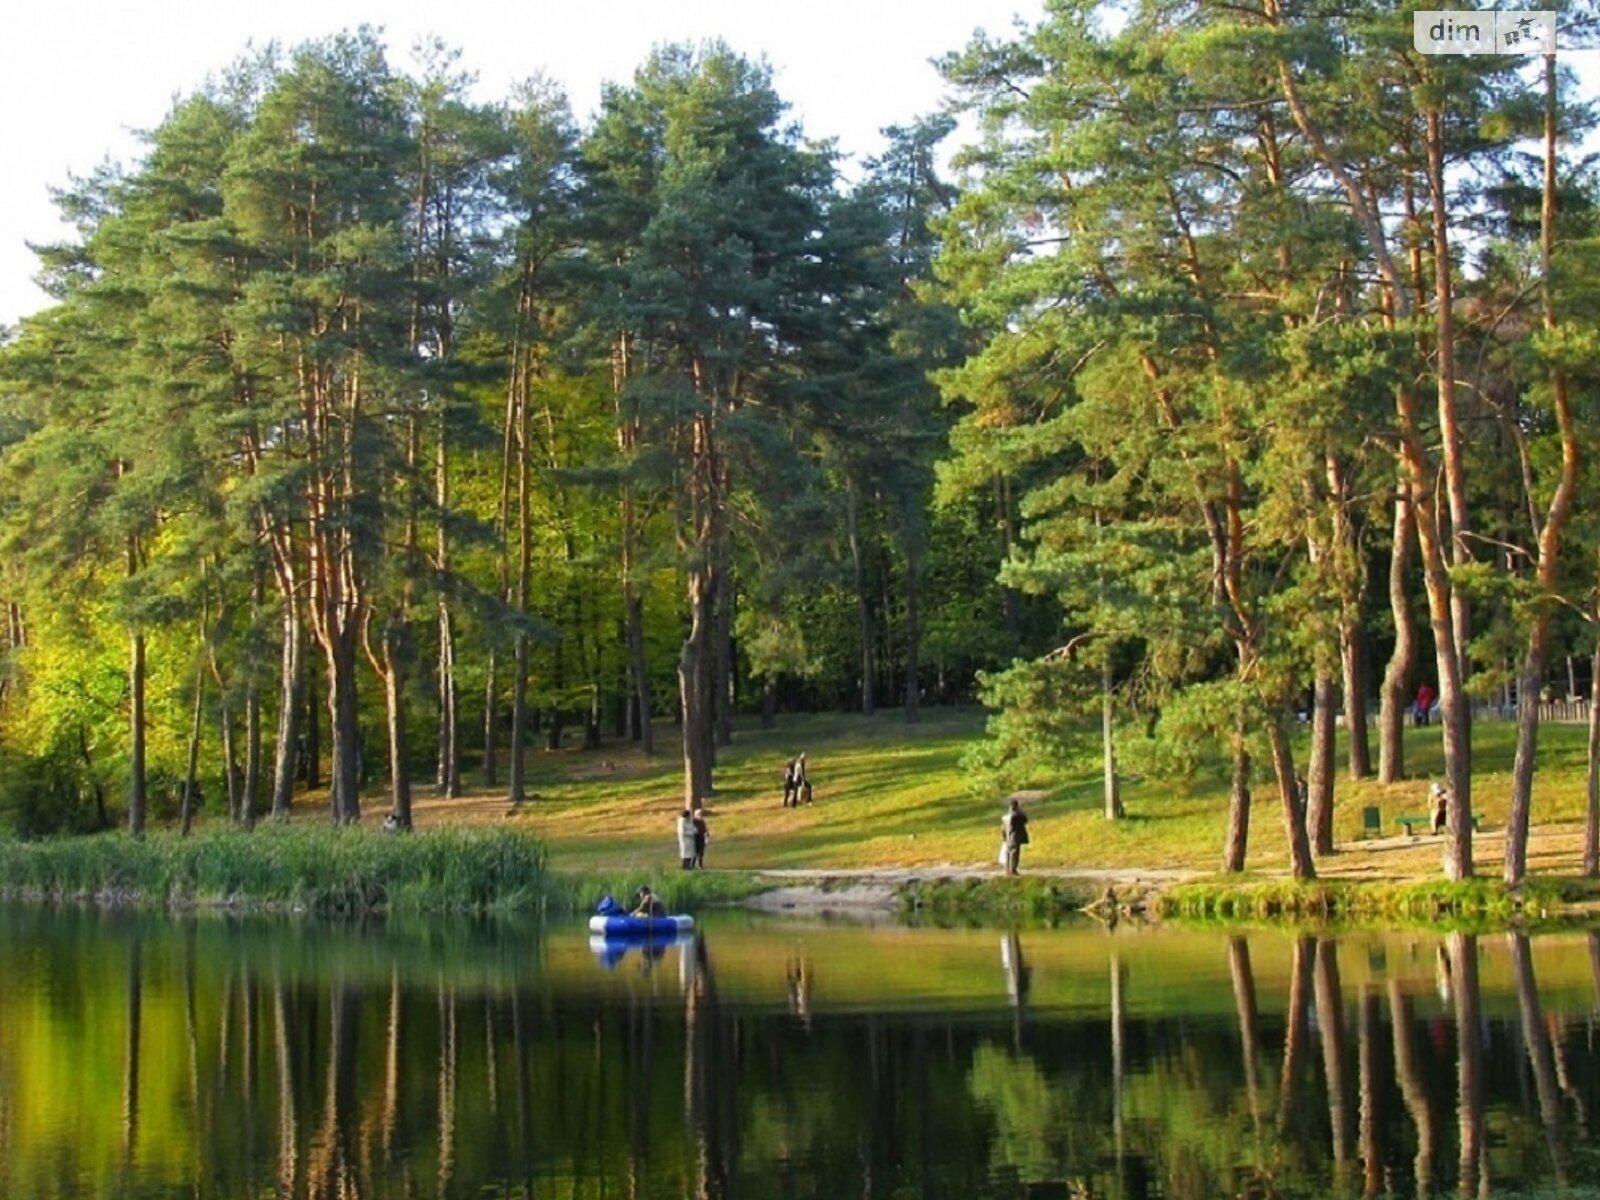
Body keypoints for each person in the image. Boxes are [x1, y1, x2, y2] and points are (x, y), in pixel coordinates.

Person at [1001, 798, 1030, 876]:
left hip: (1007, 838)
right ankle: (1013, 870)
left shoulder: (1005, 817)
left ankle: (1007, 870)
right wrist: (1020, 811)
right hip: (1015, 837)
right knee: (1014, 854)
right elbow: (1025, 819)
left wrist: (1004, 837)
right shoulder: (1016, 816)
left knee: (1008, 853)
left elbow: (1003, 829)